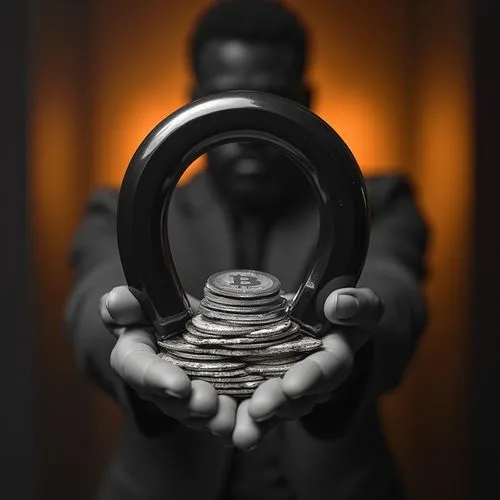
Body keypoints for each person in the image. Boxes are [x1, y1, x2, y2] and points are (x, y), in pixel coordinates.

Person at [64, 2, 428, 499]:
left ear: (306, 101)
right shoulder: (120, 209)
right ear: (194, 102)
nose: (249, 136)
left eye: (272, 97)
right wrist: (135, 350)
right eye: (224, 98)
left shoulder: (377, 204)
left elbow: (394, 295)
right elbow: (94, 302)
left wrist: (352, 348)